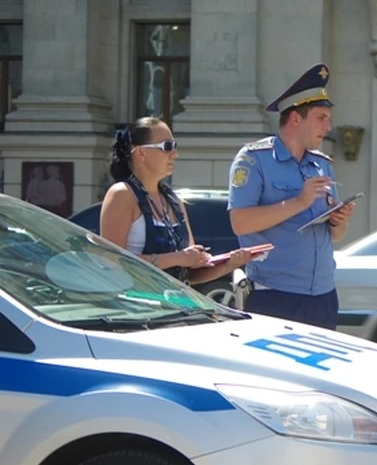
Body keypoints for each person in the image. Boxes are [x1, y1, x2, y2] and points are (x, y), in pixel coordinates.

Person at [227, 62, 354, 330]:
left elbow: (336, 237)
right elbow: (240, 222)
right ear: (296, 118)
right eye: (321, 118)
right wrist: (299, 202)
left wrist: (339, 221)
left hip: (323, 295)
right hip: (275, 295)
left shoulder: (321, 164)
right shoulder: (253, 160)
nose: (328, 127)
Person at [101, 117, 253, 284]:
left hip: (172, 304)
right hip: (137, 305)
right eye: (167, 147)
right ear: (140, 153)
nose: (174, 154)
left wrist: (230, 264)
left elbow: (188, 275)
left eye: (175, 146)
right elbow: (112, 259)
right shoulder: (122, 194)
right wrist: (177, 258)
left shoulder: (173, 200)